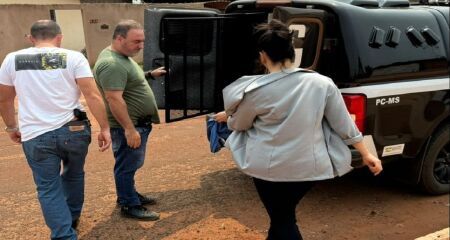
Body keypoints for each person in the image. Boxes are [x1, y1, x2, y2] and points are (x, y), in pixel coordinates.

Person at [214, 19, 383, 240]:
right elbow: (344, 124)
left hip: (268, 169)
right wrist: (366, 153)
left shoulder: (254, 90)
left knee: (283, 220)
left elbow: (239, 125)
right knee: (282, 217)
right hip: (309, 169)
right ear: (292, 52)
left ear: (262, 55)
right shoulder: (323, 83)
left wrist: (228, 117)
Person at [0, 20, 111, 240]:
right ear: (59, 37)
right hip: (74, 129)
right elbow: (92, 95)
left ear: (31, 38)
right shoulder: (74, 57)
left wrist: (11, 126)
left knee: (48, 187)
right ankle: (72, 217)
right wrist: (105, 128)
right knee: (74, 173)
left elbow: (4, 99)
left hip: (35, 135)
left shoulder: (12, 60)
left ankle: (63, 234)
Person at [93, 19, 166, 221]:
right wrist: (129, 129)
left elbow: (127, 79)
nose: (141, 46)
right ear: (119, 38)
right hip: (128, 126)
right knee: (126, 166)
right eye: (136, 41)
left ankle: (129, 194)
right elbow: (114, 99)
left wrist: (150, 74)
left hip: (136, 124)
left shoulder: (122, 57)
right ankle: (128, 203)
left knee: (130, 164)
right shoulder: (111, 64)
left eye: (142, 41)